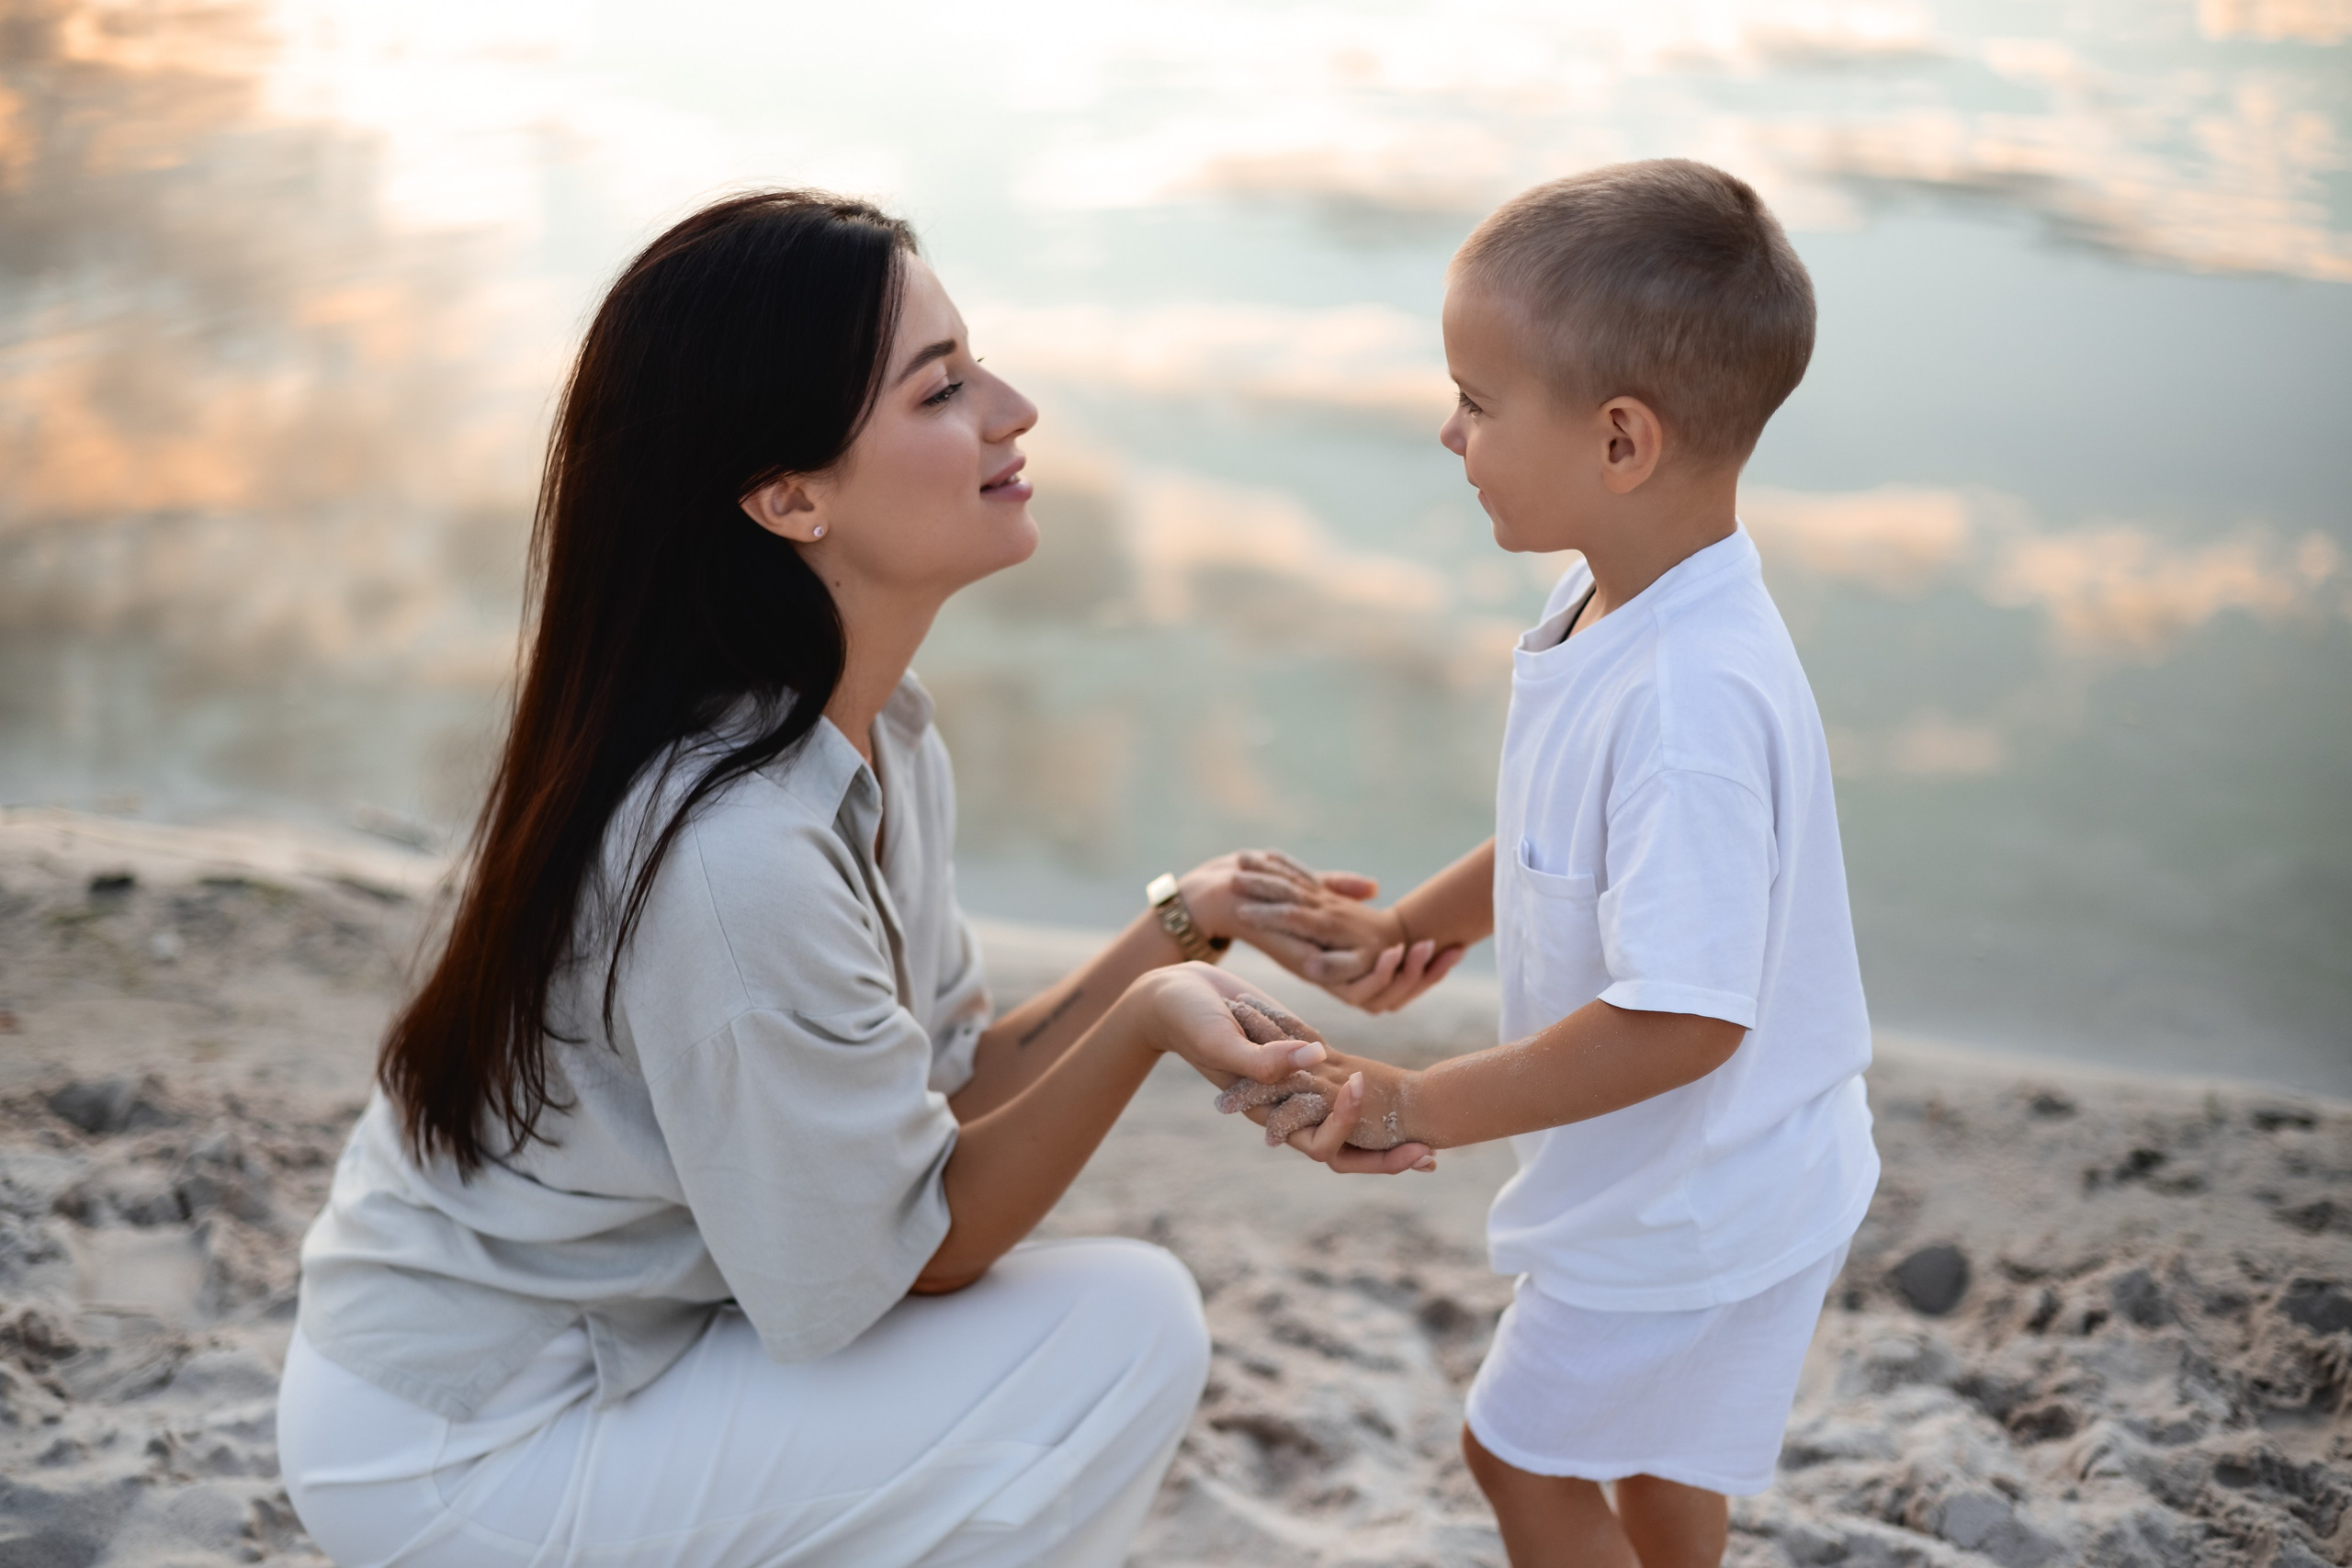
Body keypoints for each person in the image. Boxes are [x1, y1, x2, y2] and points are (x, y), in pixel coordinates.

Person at [275, 190, 1430, 1568]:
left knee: (1096, 1333)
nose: (1016, 408)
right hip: (464, 1444)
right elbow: (905, 1260)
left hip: (593, 1356)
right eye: (942, 389)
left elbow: (931, 1089)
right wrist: (1145, 1033)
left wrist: (1183, 929)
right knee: (1116, 1335)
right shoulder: (731, 852)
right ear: (787, 496)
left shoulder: (863, 729)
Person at [1227, 161, 1882, 1568]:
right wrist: (1416, 919)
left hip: (1692, 1195)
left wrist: (1424, 1102)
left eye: (1475, 399)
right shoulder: (1614, 592)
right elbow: (1556, 844)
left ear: (1621, 440)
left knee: (1517, 1453)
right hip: (1734, 1170)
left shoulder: (1690, 700)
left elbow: (1690, 1015)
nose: (1446, 431)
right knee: (1652, 1449)